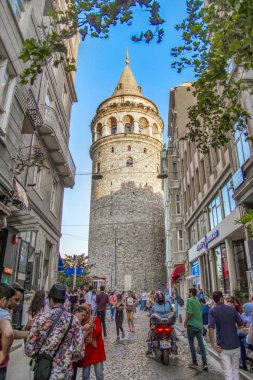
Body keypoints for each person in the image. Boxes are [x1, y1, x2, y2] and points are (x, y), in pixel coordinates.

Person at [25, 283, 84, 380]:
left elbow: (29, 349)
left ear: (51, 299)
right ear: (64, 300)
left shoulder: (42, 318)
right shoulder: (74, 321)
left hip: (43, 370)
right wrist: (66, 357)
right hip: (63, 372)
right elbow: (80, 351)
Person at [208, 291, 243, 380]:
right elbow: (240, 324)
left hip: (222, 346)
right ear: (221, 298)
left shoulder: (212, 310)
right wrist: (233, 326)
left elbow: (211, 328)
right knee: (235, 370)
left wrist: (212, 344)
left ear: (214, 300)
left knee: (228, 372)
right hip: (235, 344)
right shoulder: (232, 309)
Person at [79, 304, 106, 380]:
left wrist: (92, 327)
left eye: (87, 312)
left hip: (96, 351)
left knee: (99, 374)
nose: (86, 314)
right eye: (84, 312)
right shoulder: (80, 321)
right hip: (87, 351)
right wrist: (84, 329)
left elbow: (98, 331)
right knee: (85, 376)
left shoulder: (95, 319)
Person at [184, 287, 208, 370]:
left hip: (191, 325)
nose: (188, 293)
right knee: (201, 344)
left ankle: (195, 362)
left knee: (191, 343)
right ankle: (205, 363)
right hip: (199, 325)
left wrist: (185, 321)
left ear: (190, 293)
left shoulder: (189, 300)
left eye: (189, 292)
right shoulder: (198, 301)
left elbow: (190, 312)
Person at [0, 284, 16, 380]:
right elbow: (8, 333)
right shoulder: (2, 313)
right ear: (3, 300)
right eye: (9, 301)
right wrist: (3, 353)